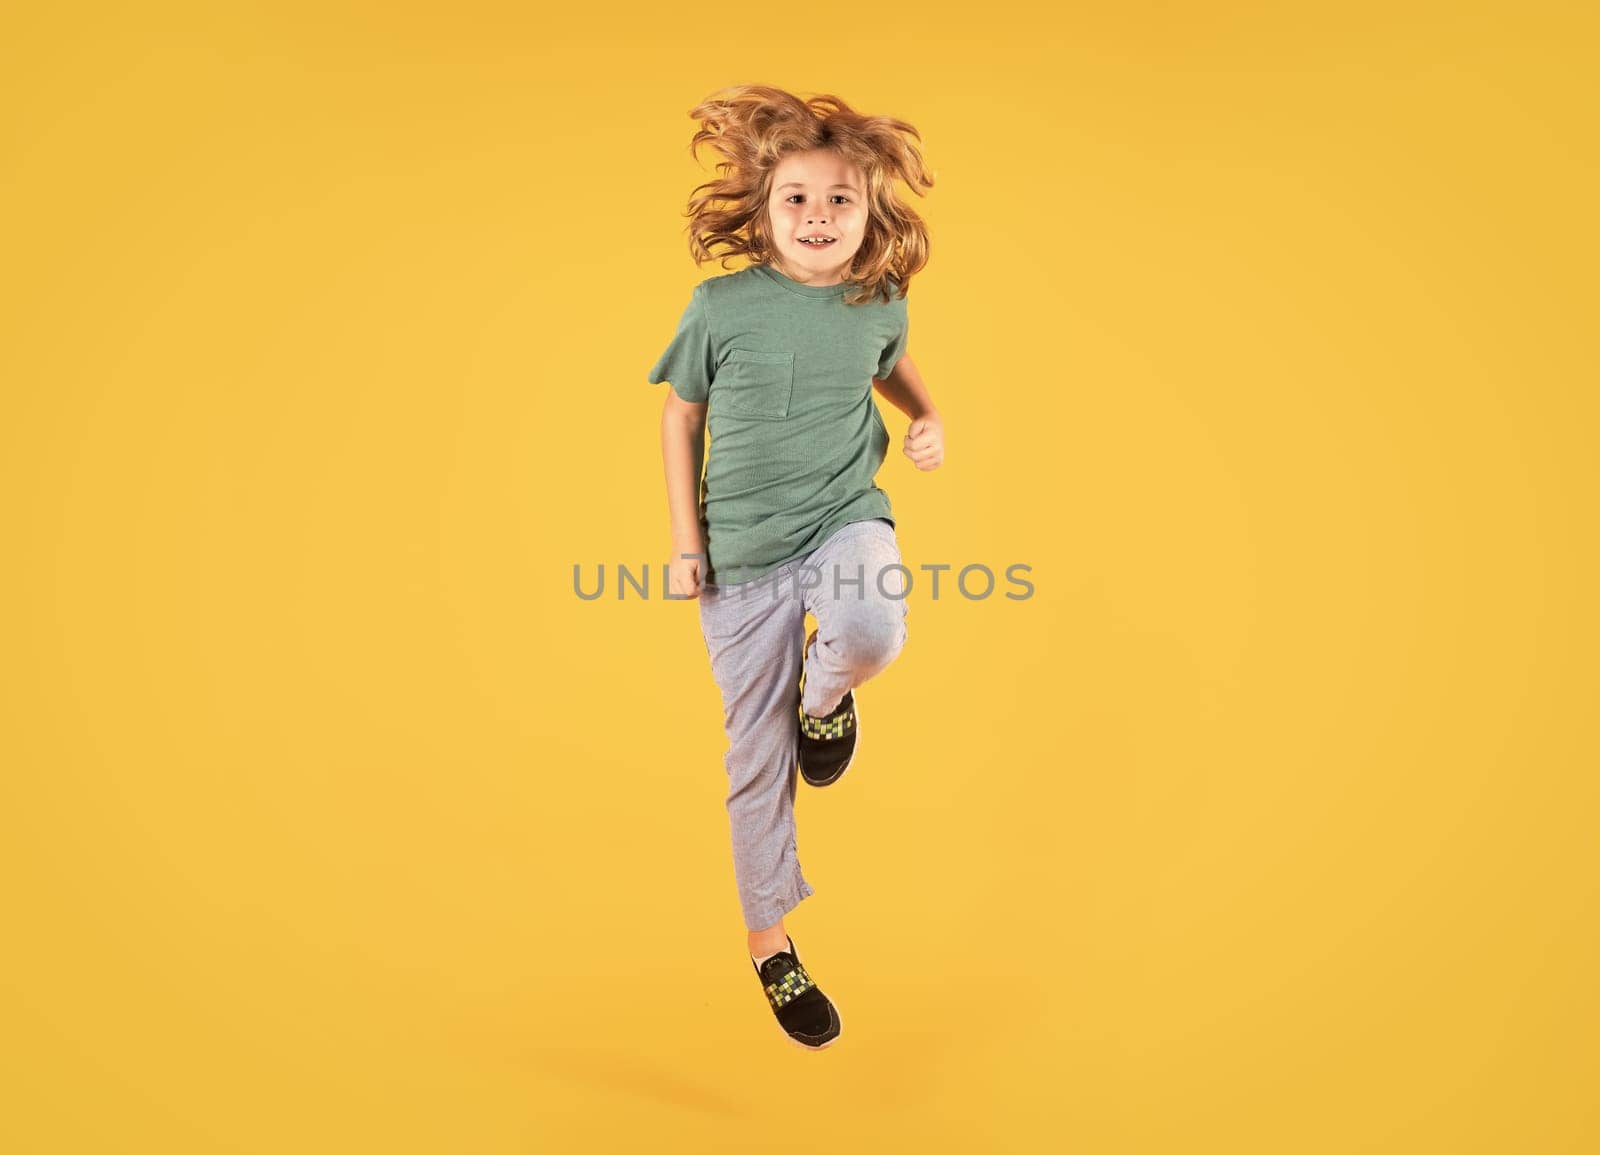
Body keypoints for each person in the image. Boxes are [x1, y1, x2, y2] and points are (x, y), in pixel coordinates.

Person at [648, 84, 945, 1050]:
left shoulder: (878, 299)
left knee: (872, 624)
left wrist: (927, 417)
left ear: (872, 211)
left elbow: (889, 364)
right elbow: (678, 413)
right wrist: (687, 545)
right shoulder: (720, 307)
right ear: (765, 208)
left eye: (840, 200)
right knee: (754, 762)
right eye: (797, 199)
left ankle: (828, 701)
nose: (818, 217)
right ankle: (771, 943)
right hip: (738, 554)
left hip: (841, 514)